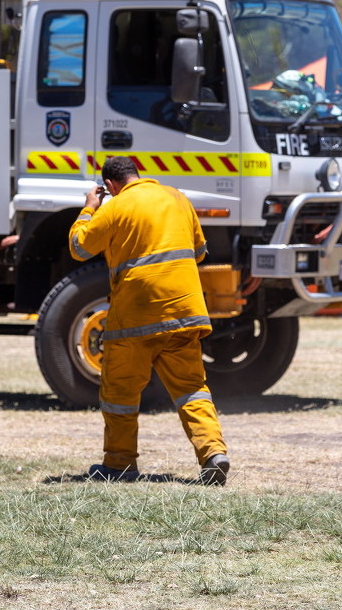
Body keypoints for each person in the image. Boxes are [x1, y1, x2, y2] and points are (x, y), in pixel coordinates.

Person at [68, 156, 230, 485]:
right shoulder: (177, 198)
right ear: (137, 174)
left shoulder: (115, 207)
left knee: (120, 393)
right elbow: (198, 252)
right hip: (185, 312)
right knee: (192, 389)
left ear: (111, 186)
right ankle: (213, 452)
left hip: (135, 317)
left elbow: (79, 247)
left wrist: (89, 207)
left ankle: (120, 464)